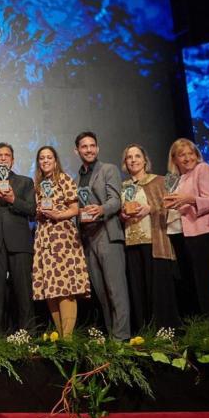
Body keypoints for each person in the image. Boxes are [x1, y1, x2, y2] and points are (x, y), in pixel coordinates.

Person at [74, 131, 130, 340]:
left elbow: (116, 200)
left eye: (92, 146)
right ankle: (111, 335)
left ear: (97, 148)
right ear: (77, 150)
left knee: (116, 290)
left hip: (107, 234)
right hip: (88, 238)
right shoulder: (77, 177)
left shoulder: (108, 169)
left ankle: (122, 337)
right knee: (101, 293)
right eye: (84, 146)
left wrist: (101, 209)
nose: (89, 149)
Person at [119, 144, 179, 332]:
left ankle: (165, 332)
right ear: (125, 163)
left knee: (158, 290)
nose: (134, 160)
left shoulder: (159, 181)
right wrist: (123, 215)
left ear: (145, 160)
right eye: (129, 157)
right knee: (138, 290)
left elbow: (172, 207)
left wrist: (150, 209)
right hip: (131, 243)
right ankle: (145, 332)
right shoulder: (124, 186)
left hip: (154, 243)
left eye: (137, 156)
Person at [163, 138, 209, 325]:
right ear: (175, 159)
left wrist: (189, 199)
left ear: (197, 155)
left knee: (205, 283)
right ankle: (200, 328)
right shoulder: (177, 179)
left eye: (191, 153)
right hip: (183, 234)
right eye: (182, 155)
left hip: (201, 232)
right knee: (191, 284)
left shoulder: (202, 169)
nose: (188, 158)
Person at [32, 146, 90, 338]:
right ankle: (60, 336)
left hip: (62, 238)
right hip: (44, 237)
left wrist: (58, 215)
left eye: (49, 157)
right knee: (51, 288)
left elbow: (75, 209)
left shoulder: (64, 180)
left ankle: (68, 338)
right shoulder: (38, 185)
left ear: (55, 161)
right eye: (42, 158)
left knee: (65, 287)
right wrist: (39, 213)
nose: (45, 161)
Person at [0, 142, 37, 336]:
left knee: (23, 292)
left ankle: (27, 335)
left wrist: (14, 200)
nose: (3, 158)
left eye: (7, 155)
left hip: (20, 243)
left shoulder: (25, 182)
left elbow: (32, 210)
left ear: (13, 160)